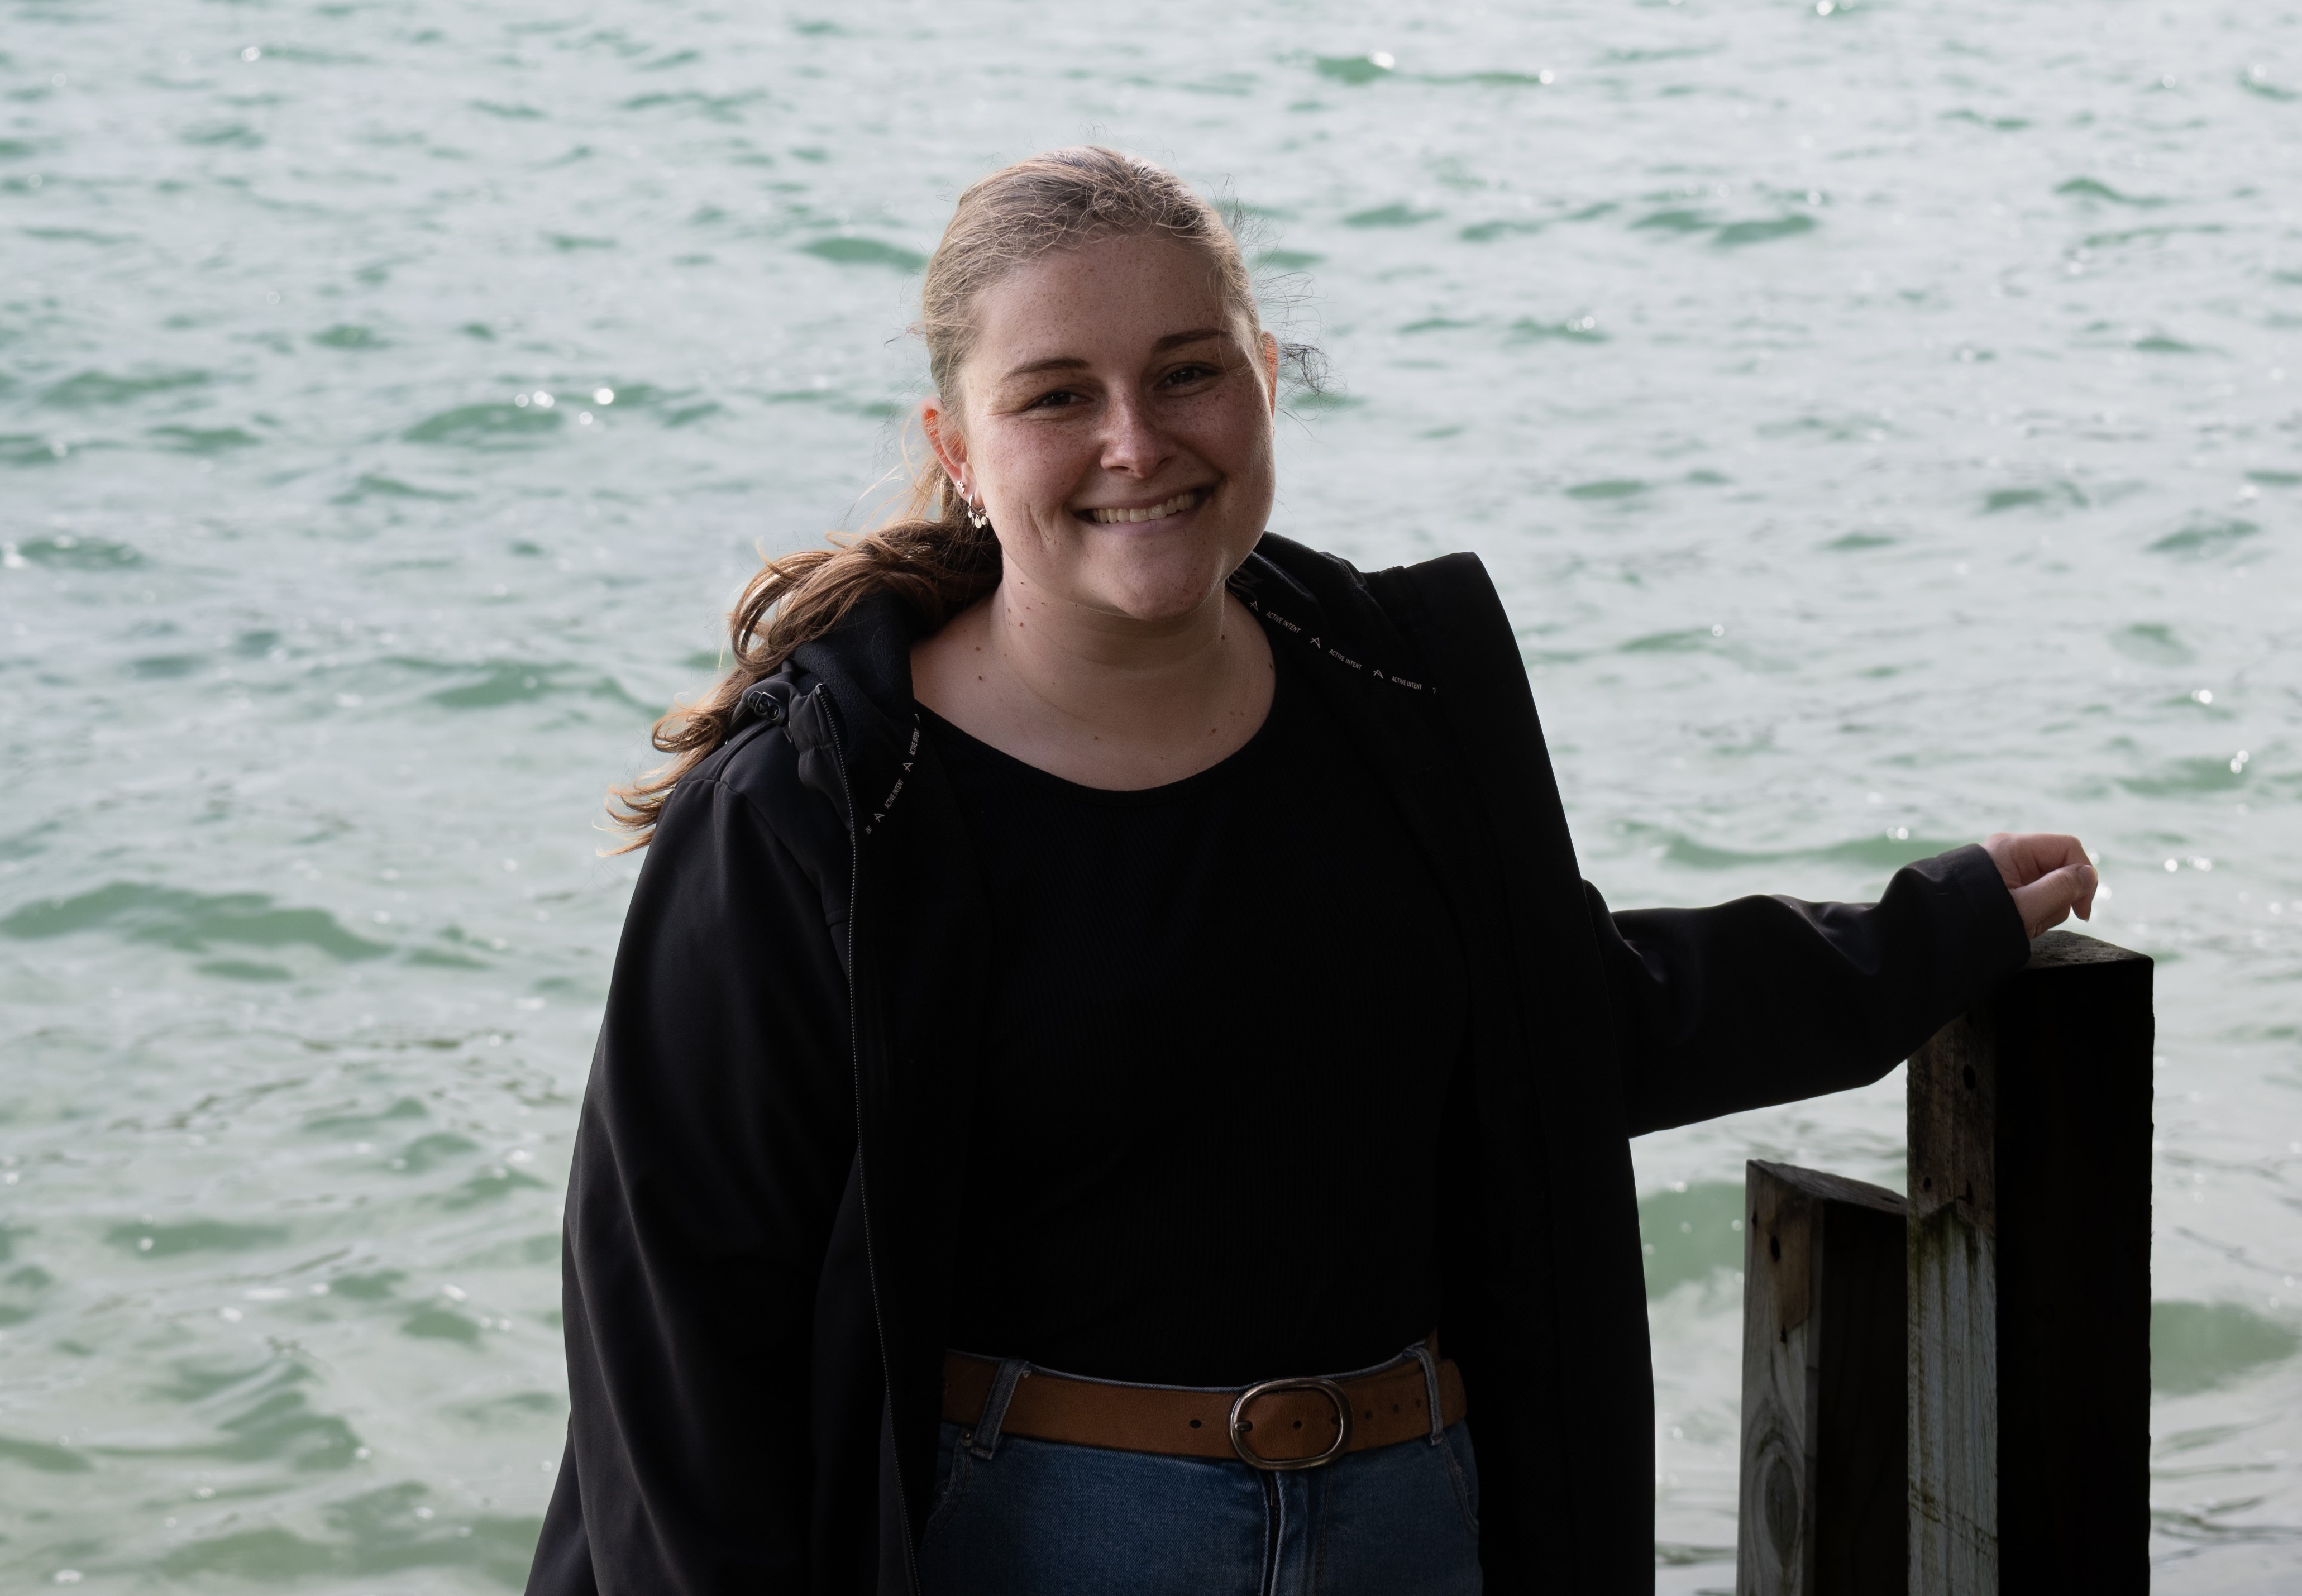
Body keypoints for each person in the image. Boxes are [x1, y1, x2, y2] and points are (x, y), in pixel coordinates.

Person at [523, 147, 2098, 1596]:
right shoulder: (828, 803)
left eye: (1189, 371)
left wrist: (1928, 936)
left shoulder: (1392, 694)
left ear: (1265, 380)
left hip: (1416, 1520)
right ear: (958, 446)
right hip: (1027, 1540)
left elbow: (1559, 1025)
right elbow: (677, 1321)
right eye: (1057, 394)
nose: (1136, 440)